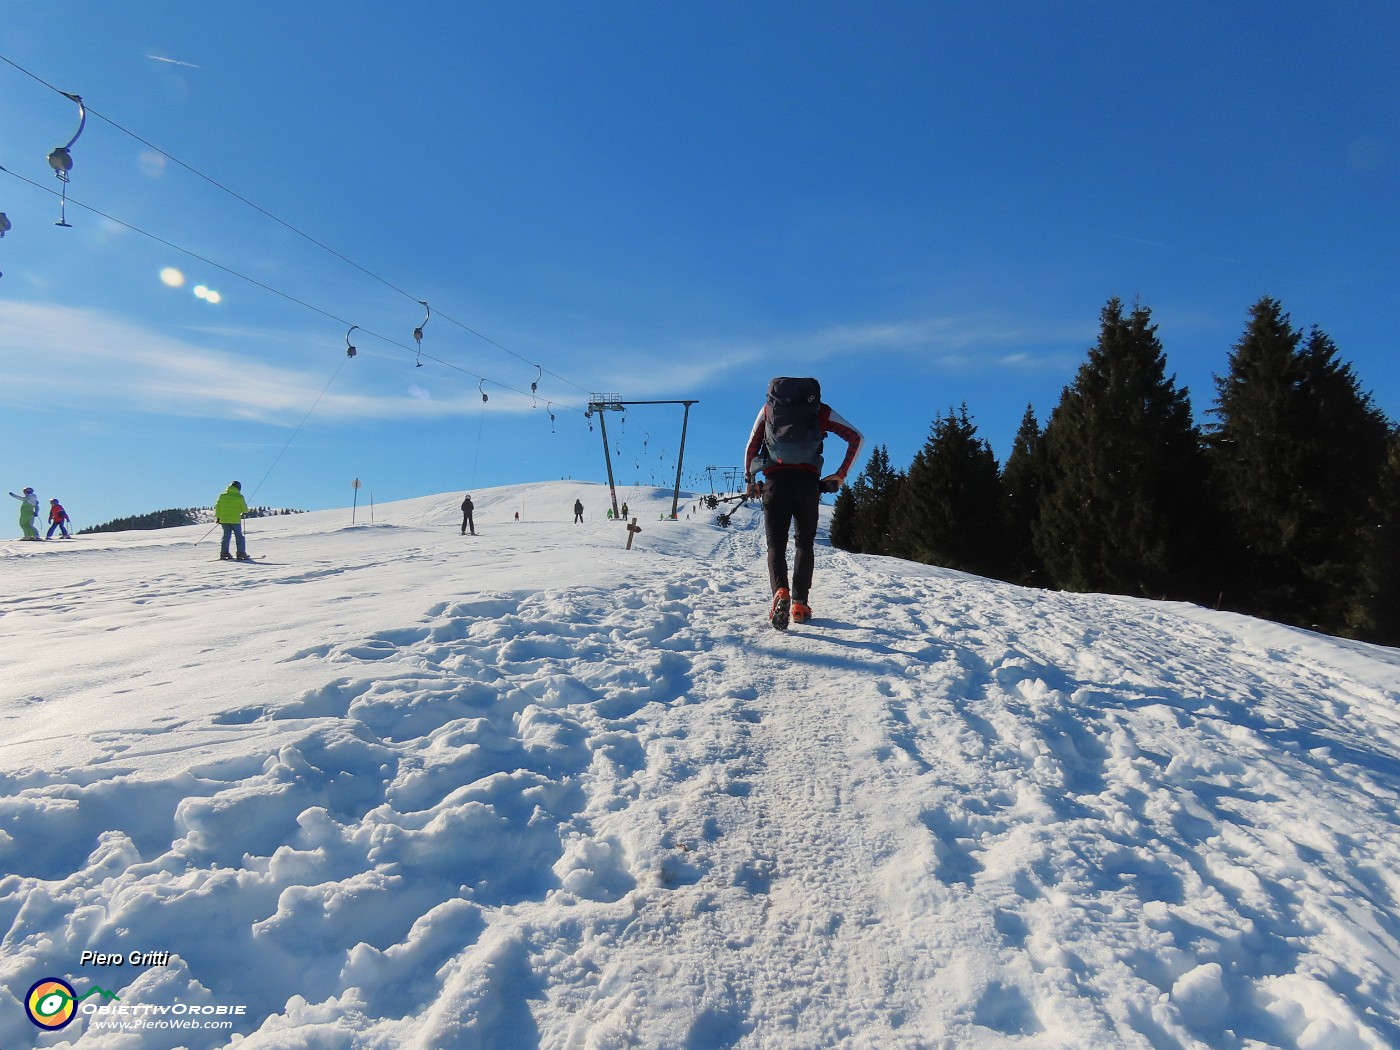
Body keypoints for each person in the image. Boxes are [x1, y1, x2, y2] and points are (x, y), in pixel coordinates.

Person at [743, 376, 864, 630]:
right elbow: (856, 438)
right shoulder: (820, 411)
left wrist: (750, 479)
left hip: (775, 483)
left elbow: (751, 446)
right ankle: (799, 604)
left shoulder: (768, 410)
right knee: (804, 544)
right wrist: (840, 474)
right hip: (808, 484)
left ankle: (780, 592)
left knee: (775, 544)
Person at [215, 480, 251, 561]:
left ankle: (224, 553)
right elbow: (244, 508)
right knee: (239, 536)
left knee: (226, 536)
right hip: (235, 520)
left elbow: (217, 507)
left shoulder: (222, 496)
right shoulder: (239, 497)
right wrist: (245, 512)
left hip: (224, 520)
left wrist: (218, 517)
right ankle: (241, 553)